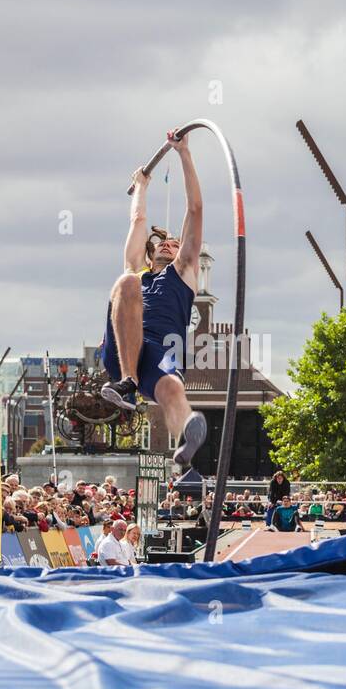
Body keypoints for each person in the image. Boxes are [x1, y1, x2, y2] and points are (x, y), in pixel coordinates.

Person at [99, 131, 208, 470]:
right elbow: (138, 221)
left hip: (165, 346)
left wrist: (184, 154)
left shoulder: (184, 271)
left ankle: (186, 444)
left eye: (173, 243)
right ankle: (128, 383)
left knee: (172, 387)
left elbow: (195, 208)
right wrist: (142, 186)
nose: (166, 245)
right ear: (150, 252)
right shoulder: (139, 272)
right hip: (125, 348)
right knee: (126, 281)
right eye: (160, 244)